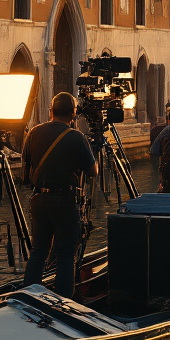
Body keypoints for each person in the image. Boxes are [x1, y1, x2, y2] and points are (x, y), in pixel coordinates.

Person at [21, 92, 97, 297]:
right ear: (73, 114)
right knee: (65, 255)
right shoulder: (76, 136)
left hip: (39, 199)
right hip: (65, 200)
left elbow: (25, 172)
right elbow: (92, 172)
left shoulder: (34, 132)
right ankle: (64, 301)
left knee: (38, 251)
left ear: (50, 111)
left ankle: (29, 297)